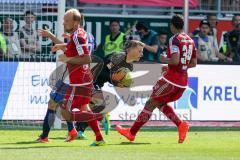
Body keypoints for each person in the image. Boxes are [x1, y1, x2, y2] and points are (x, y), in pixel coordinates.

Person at [116, 14, 197, 144]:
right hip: (183, 83)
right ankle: (181, 125)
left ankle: (131, 133)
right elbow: (193, 63)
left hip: (171, 81)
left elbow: (175, 60)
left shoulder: (174, 39)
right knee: (159, 103)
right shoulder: (190, 40)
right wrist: (171, 66)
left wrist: (164, 59)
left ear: (172, 25)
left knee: (150, 103)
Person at [38, 8, 105, 146]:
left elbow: (87, 58)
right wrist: (62, 45)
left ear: (76, 22)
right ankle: (99, 138)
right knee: (82, 108)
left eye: (66, 21)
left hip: (78, 81)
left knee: (63, 109)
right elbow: (74, 49)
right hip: (83, 79)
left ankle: (98, 118)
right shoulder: (81, 34)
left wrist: (67, 59)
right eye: (64, 21)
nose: (63, 23)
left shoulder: (77, 36)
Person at [74, 40, 145, 138]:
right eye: (139, 51)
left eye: (142, 51)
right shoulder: (118, 57)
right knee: (95, 104)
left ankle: (79, 131)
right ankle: (102, 118)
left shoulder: (129, 66)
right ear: (130, 50)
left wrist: (120, 83)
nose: (142, 54)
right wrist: (115, 80)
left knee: (89, 106)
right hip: (91, 78)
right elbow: (103, 70)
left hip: (98, 82)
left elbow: (113, 77)